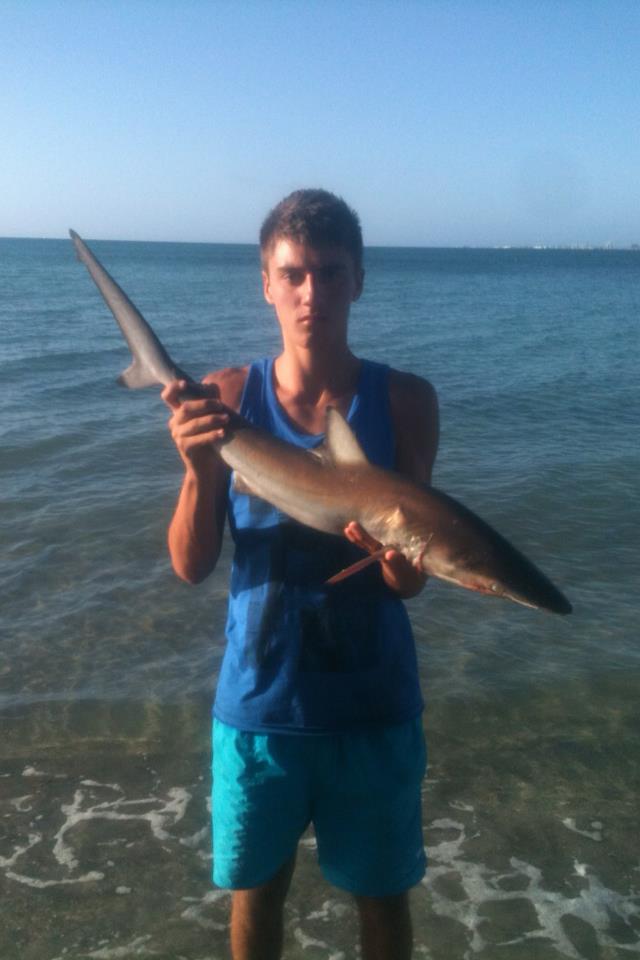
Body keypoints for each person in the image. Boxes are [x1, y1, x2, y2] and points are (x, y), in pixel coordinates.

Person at [162, 189, 439, 960]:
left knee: (383, 903)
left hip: (375, 708)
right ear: (266, 284)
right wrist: (198, 470)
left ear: (359, 280)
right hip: (259, 709)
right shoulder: (227, 397)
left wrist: (398, 562)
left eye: (330, 272)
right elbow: (190, 566)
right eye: (293, 274)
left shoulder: (406, 402)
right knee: (257, 899)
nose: (311, 292)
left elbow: (411, 581)